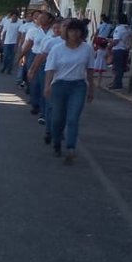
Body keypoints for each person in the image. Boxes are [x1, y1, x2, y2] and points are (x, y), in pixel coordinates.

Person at [44, 17, 95, 164]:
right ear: (66, 32)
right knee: (57, 118)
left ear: (82, 33)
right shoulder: (57, 49)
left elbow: (90, 71)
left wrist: (91, 89)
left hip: (78, 86)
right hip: (59, 85)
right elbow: (50, 69)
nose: (74, 33)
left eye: (77, 31)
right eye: (71, 30)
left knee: (73, 118)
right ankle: (56, 142)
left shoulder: (87, 49)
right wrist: (47, 86)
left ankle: (71, 148)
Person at [0, 10, 23, 74]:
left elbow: (19, 34)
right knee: (6, 56)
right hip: (7, 42)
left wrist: (17, 44)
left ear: (17, 17)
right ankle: (4, 66)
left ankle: (9, 69)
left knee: (12, 57)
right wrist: (2, 41)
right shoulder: (8, 22)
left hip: (14, 42)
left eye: (15, 16)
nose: (14, 18)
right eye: (13, 16)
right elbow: (4, 32)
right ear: (11, 16)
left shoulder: (20, 22)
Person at [110, 17, 131, 89]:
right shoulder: (128, 28)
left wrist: (109, 46)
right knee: (121, 68)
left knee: (117, 68)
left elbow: (116, 40)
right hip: (126, 49)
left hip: (118, 49)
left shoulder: (119, 28)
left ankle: (117, 84)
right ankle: (118, 82)